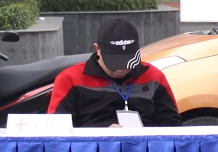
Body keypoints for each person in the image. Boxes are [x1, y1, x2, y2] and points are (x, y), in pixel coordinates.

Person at [47, 17, 182, 128]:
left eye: (128, 62)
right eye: (114, 63)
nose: (121, 69)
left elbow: (173, 127)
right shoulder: (70, 79)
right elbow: (58, 132)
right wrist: (103, 135)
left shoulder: (153, 77)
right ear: (97, 49)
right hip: (93, 149)